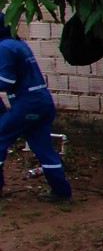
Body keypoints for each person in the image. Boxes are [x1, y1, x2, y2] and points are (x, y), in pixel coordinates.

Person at [0, 17, 72, 201]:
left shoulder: (4, 48)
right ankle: (61, 192)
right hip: (42, 101)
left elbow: (7, 81)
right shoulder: (16, 43)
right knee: (44, 150)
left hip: (27, 103)